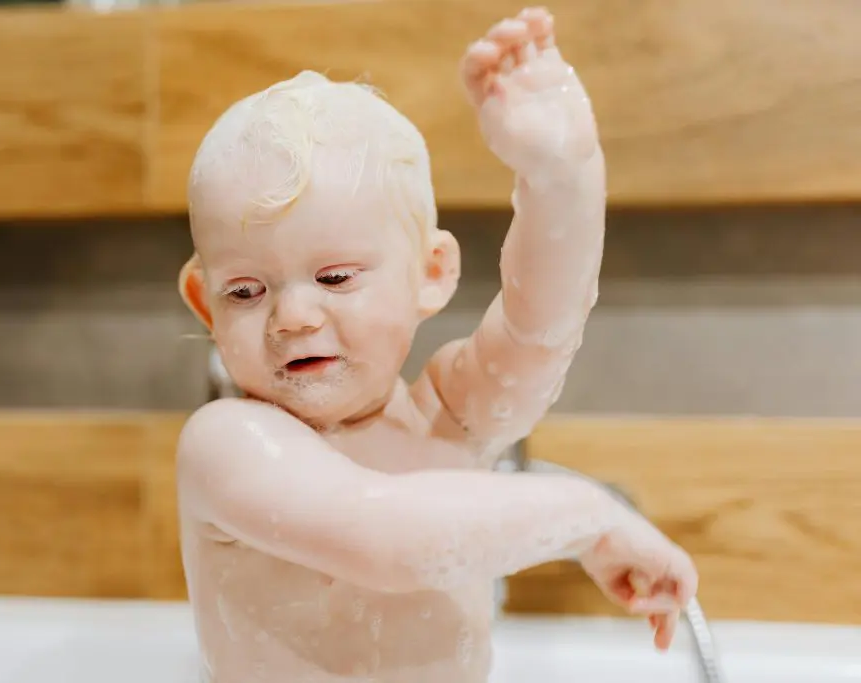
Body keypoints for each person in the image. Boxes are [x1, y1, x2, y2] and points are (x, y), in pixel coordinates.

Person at [175, 7, 698, 682]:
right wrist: (589, 518)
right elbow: (386, 539)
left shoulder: (448, 418)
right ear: (203, 302)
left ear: (431, 274)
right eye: (245, 291)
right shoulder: (228, 443)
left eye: (334, 277)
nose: (294, 315)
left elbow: (541, 330)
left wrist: (562, 176)